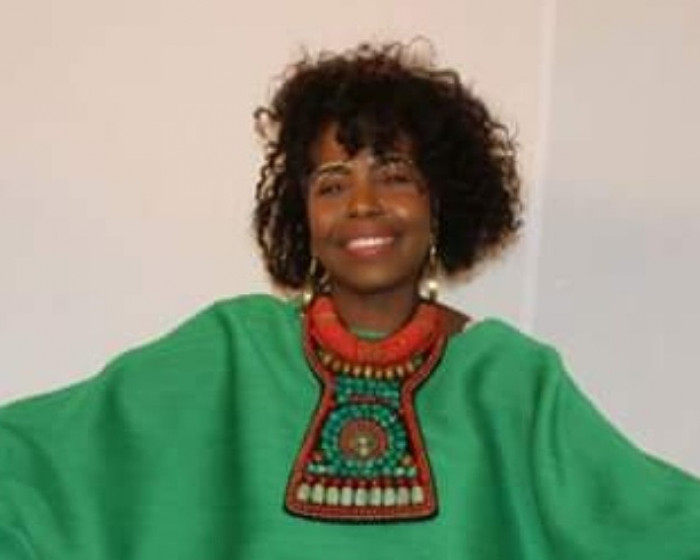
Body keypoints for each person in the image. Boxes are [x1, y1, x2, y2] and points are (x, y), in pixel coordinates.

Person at [1, 42, 699, 559]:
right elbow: (32, 470)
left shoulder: (512, 383)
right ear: (300, 213)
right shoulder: (229, 354)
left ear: (441, 201)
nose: (362, 204)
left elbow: (653, 527)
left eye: (394, 175)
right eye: (332, 184)